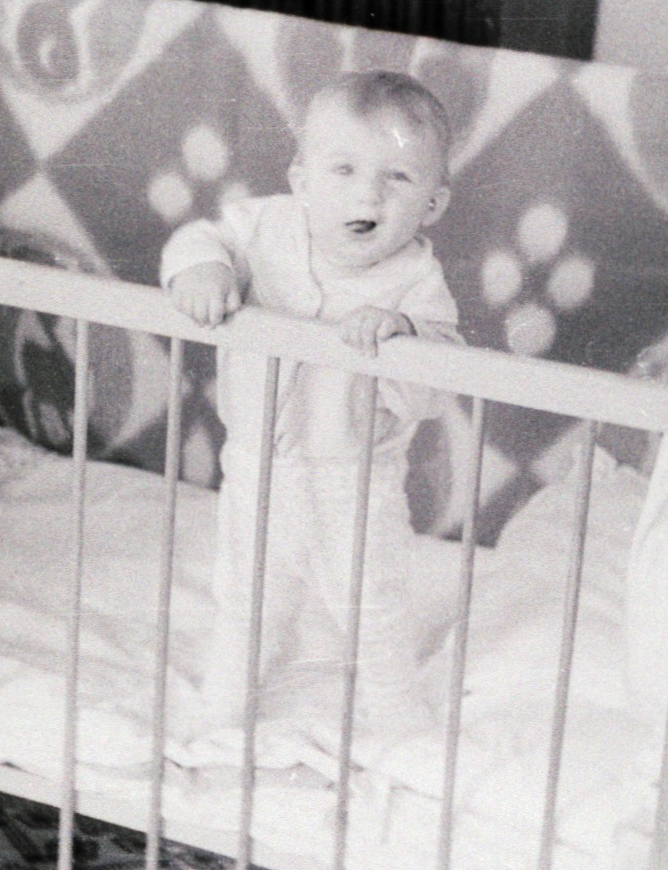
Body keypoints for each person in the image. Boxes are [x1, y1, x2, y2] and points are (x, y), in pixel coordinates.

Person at [161, 70, 459, 733]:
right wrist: (201, 270)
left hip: (357, 474)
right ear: (300, 181)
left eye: (398, 179)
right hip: (257, 461)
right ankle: (226, 697)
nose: (367, 194)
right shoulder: (262, 225)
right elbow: (201, 237)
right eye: (343, 169)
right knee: (247, 589)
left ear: (432, 205)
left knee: (368, 594)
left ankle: (393, 702)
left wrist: (404, 335)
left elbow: (438, 378)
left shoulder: (415, 281)